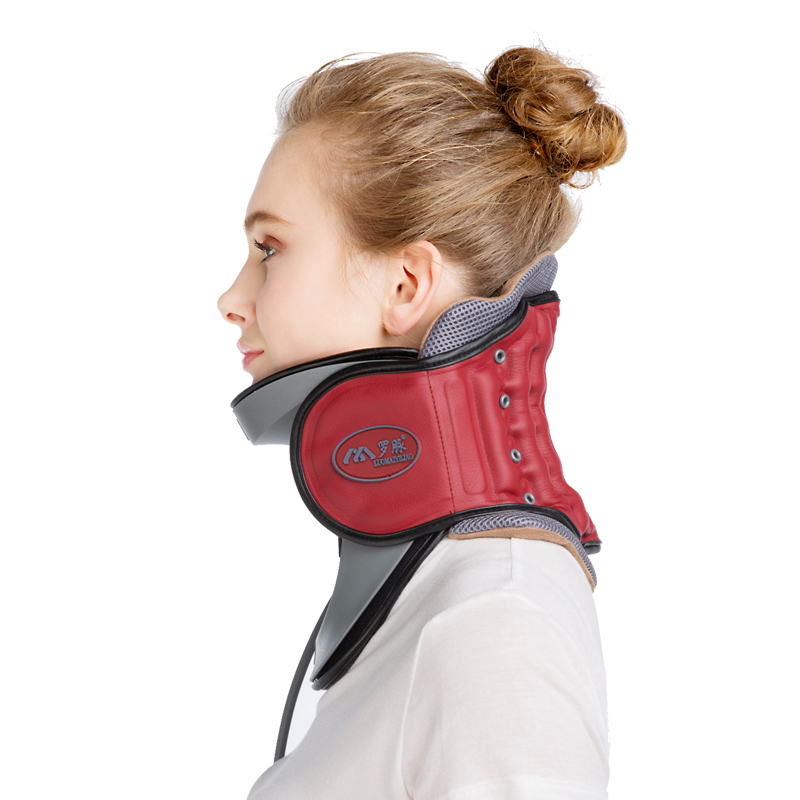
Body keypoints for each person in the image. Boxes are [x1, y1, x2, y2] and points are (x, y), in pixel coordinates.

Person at [218, 44, 626, 800]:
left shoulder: (495, 622)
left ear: (406, 284)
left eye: (269, 249)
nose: (231, 300)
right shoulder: (442, 603)